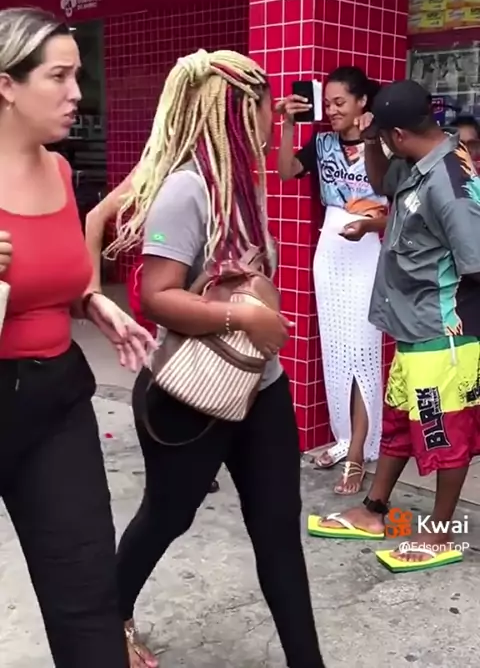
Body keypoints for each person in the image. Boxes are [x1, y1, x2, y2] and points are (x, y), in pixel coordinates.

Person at [104, 49, 326, 668]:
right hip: (191, 395)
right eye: (266, 105)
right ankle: (109, 615)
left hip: (261, 388)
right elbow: (157, 295)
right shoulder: (187, 188)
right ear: (238, 109)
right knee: (167, 516)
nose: (272, 116)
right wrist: (245, 317)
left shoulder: (244, 183)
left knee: (279, 532)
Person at [0, 7, 156, 668]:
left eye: (78, 75)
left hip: (55, 401)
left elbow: (53, 272)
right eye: (59, 76)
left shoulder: (61, 173)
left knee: (87, 594)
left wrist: (91, 301)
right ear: (7, 85)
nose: (76, 94)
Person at [310, 80, 480, 573]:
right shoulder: (419, 163)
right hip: (413, 328)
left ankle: (440, 532)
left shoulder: (450, 183)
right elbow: (386, 186)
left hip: (442, 335)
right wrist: (370, 143)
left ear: (400, 134)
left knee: (444, 434)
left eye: (383, 137)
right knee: (402, 426)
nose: (379, 143)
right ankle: (374, 510)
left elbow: (475, 261)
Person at [277, 66, 387, 495]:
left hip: (365, 252)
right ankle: (345, 439)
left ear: (362, 102)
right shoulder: (322, 143)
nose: (332, 110)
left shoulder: (384, 143)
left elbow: (386, 193)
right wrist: (288, 125)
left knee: (362, 354)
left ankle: (359, 453)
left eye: (340, 102)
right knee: (337, 354)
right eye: (328, 103)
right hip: (330, 253)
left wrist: (372, 138)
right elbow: (286, 171)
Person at [86, 178, 221, 494]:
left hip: (193, 282)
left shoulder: (212, 172)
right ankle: (169, 460)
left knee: (192, 371)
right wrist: (92, 293)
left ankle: (191, 459)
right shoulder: (153, 170)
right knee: (165, 367)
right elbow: (95, 217)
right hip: (158, 283)